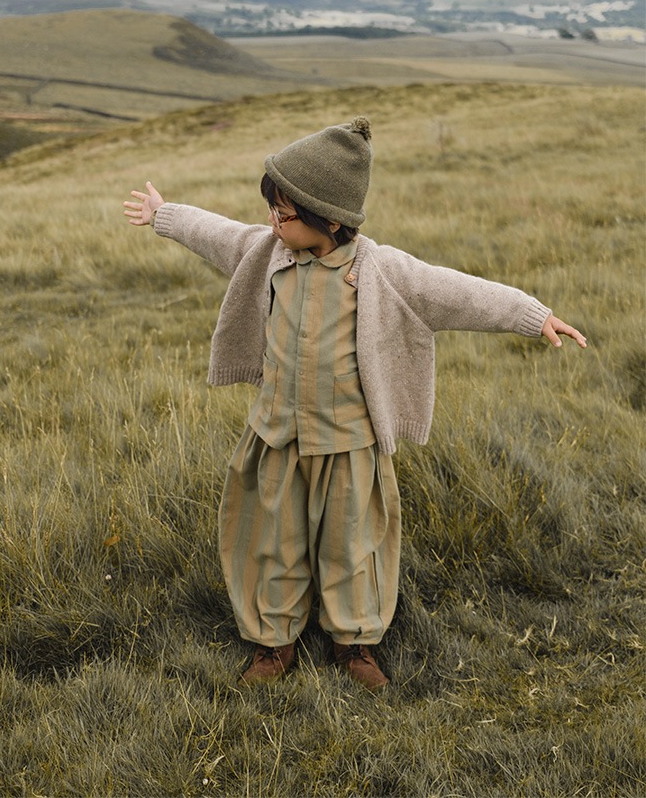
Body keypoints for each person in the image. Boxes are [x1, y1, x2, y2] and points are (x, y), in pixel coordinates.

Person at [123, 116, 586, 691]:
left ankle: (354, 643)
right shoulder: (265, 251)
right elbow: (214, 231)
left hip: (348, 440)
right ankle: (273, 642)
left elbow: (458, 291)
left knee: (353, 544)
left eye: (285, 214)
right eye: (272, 209)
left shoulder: (380, 269)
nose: (273, 221)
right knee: (270, 540)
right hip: (276, 433)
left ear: (332, 219)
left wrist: (532, 316)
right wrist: (165, 215)